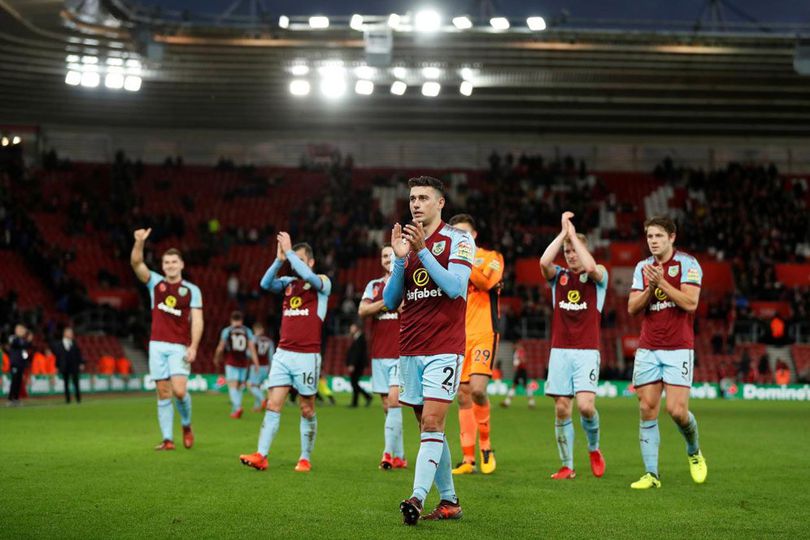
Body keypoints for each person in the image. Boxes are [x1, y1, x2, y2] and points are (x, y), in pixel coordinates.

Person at [382, 176, 475, 525]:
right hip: (410, 347)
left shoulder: (459, 240)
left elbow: (455, 287)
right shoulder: (406, 244)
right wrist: (401, 261)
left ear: (440, 203)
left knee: (433, 421)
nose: (416, 204)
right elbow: (391, 301)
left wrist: (421, 251)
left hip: (444, 346)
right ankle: (449, 501)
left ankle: (417, 498)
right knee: (427, 426)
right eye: (412, 198)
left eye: (423, 198)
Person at [239, 232, 331, 473]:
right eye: (293, 260)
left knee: (306, 408)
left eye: (300, 259)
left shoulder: (321, 282)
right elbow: (265, 284)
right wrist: (280, 260)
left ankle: (305, 457)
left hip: (307, 355)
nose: (295, 264)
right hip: (283, 353)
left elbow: (311, 276)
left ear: (310, 262)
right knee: (273, 404)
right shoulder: (289, 284)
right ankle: (261, 455)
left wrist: (290, 252)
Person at [628, 216, 707, 489]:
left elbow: (690, 302)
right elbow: (632, 308)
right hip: (648, 347)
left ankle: (694, 451)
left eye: (659, 236)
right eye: (650, 236)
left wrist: (661, 284)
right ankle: (652, 474)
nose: (653, 241)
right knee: (647, 408)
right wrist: (651, 287)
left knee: (676, 411)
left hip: (678, 348)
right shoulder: (642, 268)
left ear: (672, 237)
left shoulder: (688, 264)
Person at [539, 212, 607, 480]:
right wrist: (563, 234)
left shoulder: (599, 275)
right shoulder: (559, 277)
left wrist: (575, 235)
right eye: (566, 251)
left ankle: (593, 448)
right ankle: (567, 465)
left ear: (584, 249)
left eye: (574, 250)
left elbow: (591, 269)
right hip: (560, 351)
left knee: (586, 407)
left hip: (587, 351)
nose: (570, 255)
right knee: (561, 408)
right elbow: (544, 261)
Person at [131, 228, 203, 451]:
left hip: (179, 346)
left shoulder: (192, 290)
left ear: (181, 264)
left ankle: (186, 424)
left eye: (174, 262)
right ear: (163, 266)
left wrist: (194, 346)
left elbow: (198, 320)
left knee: (180, 392)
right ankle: (168, 439)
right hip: (157, 344)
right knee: (162, 391)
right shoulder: (156, 284)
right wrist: (139, 243)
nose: (170, 265)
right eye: (167, 262)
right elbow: (136, 264)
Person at [447, 214, 504, 476]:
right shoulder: (448, 262)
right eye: (455, 233)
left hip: (484, 332)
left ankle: (486, 447)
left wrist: (465, 258)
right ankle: (468, 459)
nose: (459, 237)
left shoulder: (491, 257)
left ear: (474, 235)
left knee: (479, 390)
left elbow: (486, 282)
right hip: (458, 334)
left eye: (464, 233)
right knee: (463, 395)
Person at [358, 245, 407, 469]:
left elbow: (407, 308)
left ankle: (387, 454)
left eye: (391, 254)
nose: (388, 258)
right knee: (387, 405)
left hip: (401, 352)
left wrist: (379, 305)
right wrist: (388, 302)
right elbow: (362, 311)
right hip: (379, 352)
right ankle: (400, 456)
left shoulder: (406, 280)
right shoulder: (373, 285)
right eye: (385, 255)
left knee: (395, 401)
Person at [214, 311, 259, 418]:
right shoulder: (247, 331)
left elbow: (221, 347)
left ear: (231, 320)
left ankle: (238, 407)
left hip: (231, 361)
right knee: (239, 386)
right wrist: (256, 362)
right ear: (241, 320)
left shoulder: (227, 331)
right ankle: (235, 410)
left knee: (232, 386)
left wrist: (216, 357)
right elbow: (252, 348)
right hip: (243, 362)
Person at [52, 327, 85, 404]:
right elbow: (58, 356)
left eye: (71, 333)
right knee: (66, 383)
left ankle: (78, 399)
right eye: (69, 333)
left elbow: (78, 355)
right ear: (65, 334)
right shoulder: (59, 344)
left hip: (74, 366)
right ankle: (68, 399)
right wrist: (57, 366)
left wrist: (81, 363)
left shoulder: (74, 343)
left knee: (76, 383)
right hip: (64, 366)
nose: (71, 334)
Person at [247, 322, 275, 412]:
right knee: (258, 386)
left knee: (252, 386)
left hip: (255, 366)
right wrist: (270, 368)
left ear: (254, 330)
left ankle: (263, 400)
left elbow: (248, 353)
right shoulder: (269, 341)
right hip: (266, 366)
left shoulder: (253, 340)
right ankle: (257, 407)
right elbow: (271, 356)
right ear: (262, 330)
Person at [345, 322, 372, 407]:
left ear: (357, 328)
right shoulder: (357, 337)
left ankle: (366, 397)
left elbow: (357, 353)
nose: (350, 329)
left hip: (358, 365)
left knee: (354, 383)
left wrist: (352, 364)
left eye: (352, 328)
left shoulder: (360, 338)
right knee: (354, 383)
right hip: (357, 364)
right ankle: (357, 402)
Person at [501, 343, 536, 409]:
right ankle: (507, 402)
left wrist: (519, 362)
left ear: (517, 345)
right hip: (519, 371)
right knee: (515, 385)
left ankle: (531, 402)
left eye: (514, 345)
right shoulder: (518, 351)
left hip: (521, 371)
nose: (513, 347)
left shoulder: (520, 351)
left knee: (523, 386)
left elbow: (523, 360)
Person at [6, 324, 32, 406]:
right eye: (20, 330)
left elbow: (26, 347)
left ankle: (16, 399)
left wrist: (28, 340)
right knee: (14, 381)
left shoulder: (22, 340)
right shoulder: (13, 338)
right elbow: (15, 344)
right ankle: (10, 399)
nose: (22, 331)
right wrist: (26, 339)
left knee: (19, 381)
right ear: (16, 330)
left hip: (21, 364)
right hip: (15, 363)